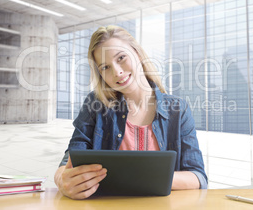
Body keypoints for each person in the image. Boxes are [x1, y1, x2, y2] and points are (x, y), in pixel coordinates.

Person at [54, 25, 207, 199]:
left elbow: (198, 177)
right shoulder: (95, 104)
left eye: (121, 58)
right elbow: (69, 162)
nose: (117, 72)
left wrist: (141, 177)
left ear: (138, 53)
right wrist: (61, 179)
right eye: (105, 67)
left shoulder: (178, 110)